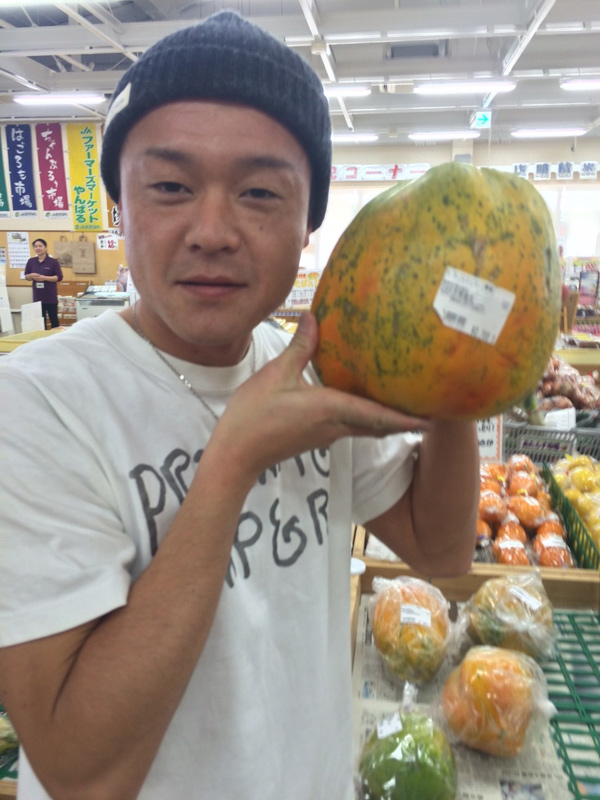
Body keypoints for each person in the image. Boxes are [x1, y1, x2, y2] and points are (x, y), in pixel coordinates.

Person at [0, 11, 479, 800]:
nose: (213, 231)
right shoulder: (39, 403)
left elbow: (442, 550)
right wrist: (232, 460)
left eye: (260, 192)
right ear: (119, 205)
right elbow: (83, 773)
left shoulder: (319, 373)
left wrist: (465, 371)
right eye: (170, 187)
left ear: (309, 224)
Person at [23, 237, 63, 328]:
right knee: (40, 322)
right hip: (38, 296)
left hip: (50, 296)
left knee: (54, 320)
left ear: (45, 248)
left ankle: (55, 336)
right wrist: (31, 276)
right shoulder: (31, 261)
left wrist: (44, 278)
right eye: (36, 246)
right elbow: (26, 276)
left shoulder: (53, 262)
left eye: (40, 246)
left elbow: (59, 277)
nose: (38, 248)